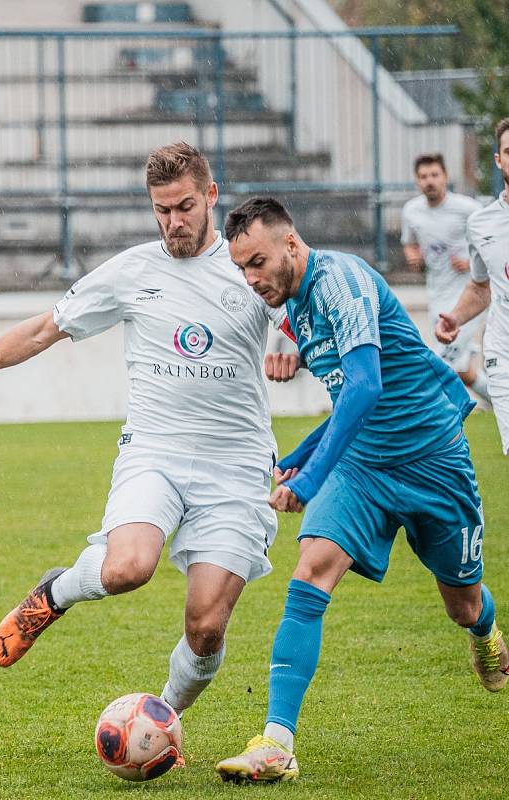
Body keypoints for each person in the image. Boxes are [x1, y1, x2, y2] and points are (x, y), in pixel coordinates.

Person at [0, 143, 294, 742]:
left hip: (236, 466)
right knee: (126, 569)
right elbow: (44, 329)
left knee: (206, 628)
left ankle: (161, 718)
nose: (174, 222)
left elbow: (303, 313)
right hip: (155, 454)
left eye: (186, 206)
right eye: (162, 210)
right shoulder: (133, 271)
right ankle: (54, 593)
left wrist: (291, 340)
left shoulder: (250, 267)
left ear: (212, 196)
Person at [214, 197, 508, 784]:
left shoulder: (342, 280)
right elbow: (350, 401)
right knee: (311, 570)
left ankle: (486, 631)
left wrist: (311, 474)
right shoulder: (292, 309)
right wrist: (300, 460)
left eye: (257, 262)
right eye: (241, 268)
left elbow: (367, 387)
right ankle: (277, 742)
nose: (251, 279)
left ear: (291, 245)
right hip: (364, 466)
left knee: (463, 603)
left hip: (433, 462)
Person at [436, 118, 509, 456]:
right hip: (503, 351)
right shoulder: (480, 223)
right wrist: (456, 317)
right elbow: (481, 287)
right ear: (498, 159)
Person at [401, 153, 489, 404]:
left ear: (446, 177)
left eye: (434, 175)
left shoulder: (468, 209)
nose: (429, 181)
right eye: (423, 176)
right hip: (436, 295)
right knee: (464, 373)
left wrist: (471, 262)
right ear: (417, 181)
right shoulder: (411, 211)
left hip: (468, 295)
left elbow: (492, 244)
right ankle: (502, 405)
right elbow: (409, 244)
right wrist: (413, 258)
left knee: (441, 364)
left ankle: (430, 424)